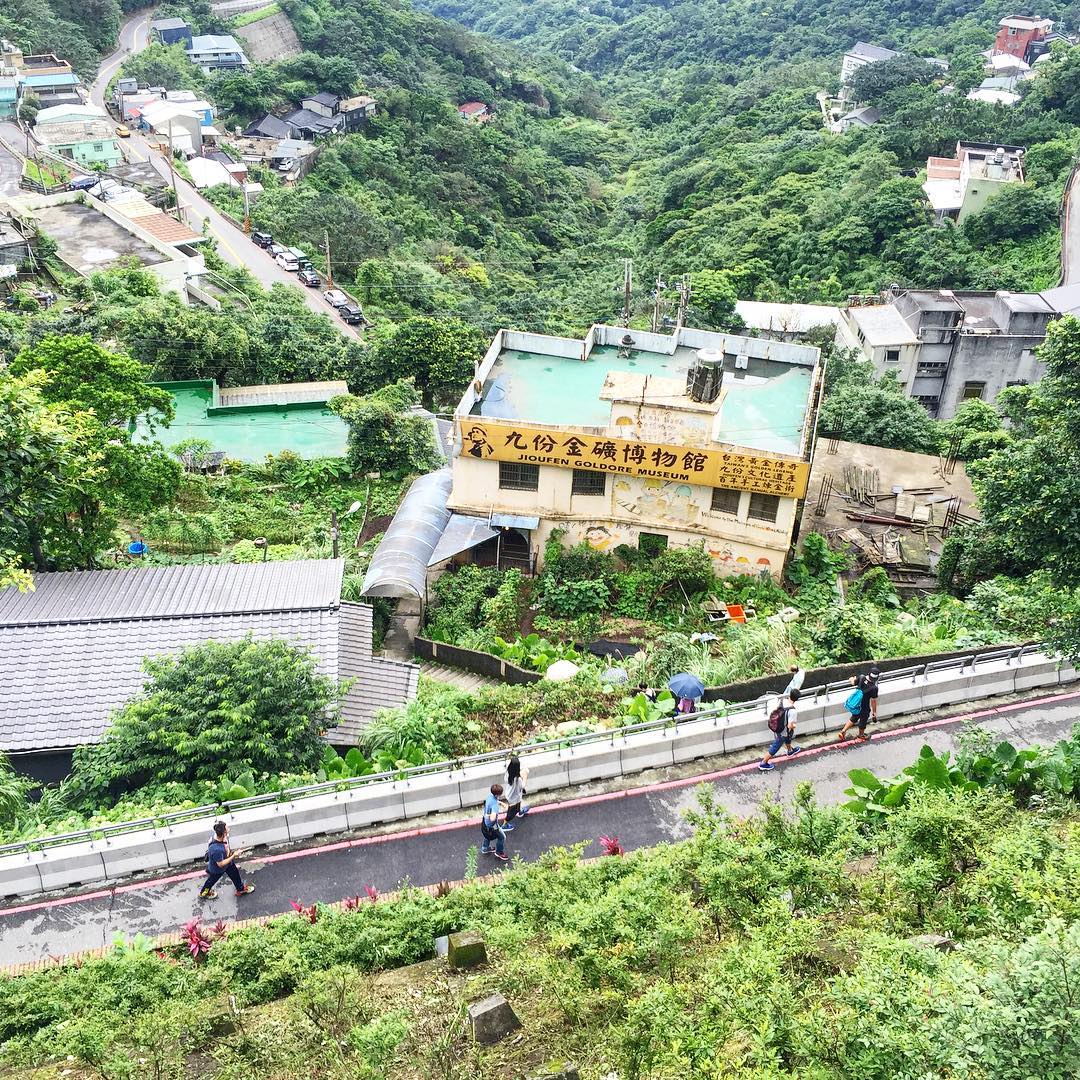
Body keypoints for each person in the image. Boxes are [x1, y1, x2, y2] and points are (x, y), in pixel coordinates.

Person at [198, 821, 255, 900]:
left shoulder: (220, 837)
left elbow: (226, 847)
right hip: (218, 869)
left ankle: (240, 889)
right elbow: (221, 864)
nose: (229, 829)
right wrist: (234, 855)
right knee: (211, 881)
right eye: (227, 828)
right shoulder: (216, 849)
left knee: (235, 875)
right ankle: (203, 893)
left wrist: (231, 854)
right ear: (223, 832)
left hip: (228, 862)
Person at [758, 688, 803, 771]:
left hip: (777, 726)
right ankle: (763, 763)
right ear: (797, 699)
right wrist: (794, 726)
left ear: (790, 695)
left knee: (788, 738)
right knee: (776, 746)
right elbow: (790, 726)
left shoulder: (782, 701)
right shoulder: (792, 711)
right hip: (784, 731)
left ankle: (790, 751)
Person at [838, 666, 881, 742]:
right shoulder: (874, 688)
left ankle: (843, 731)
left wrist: (851, 679)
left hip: (856, 705)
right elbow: (873, 701)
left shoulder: (861, 677)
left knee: (854, 717)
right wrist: (874, 712)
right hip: (864, 707)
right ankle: (861, 735)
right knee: (863, 720)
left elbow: (853, 682)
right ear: (876, 678)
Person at [480, 783, 509, 861]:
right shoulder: (495, 806)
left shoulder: (490, 796)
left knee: (487, 835)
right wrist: (494, 812)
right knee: (502, 837)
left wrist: (501, 803)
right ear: (498, 794)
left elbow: (493, 801)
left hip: (485, 823)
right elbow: (492, 818)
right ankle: (499, 852)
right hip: (493, 826)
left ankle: (485, 848)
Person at [502, 754, 530, 831]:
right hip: (515, 797)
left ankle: (520, 811)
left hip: (510, 795)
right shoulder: (517, 780)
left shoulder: (508, 773)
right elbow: (523, 785)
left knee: (518, 804)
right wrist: (525, 777)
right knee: (512, 811)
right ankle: (505, 824)